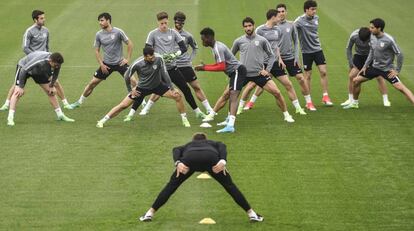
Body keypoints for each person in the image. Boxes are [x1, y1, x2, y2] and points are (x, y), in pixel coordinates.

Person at [138, 132, 264, 223]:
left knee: (171, 187)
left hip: (189, 160)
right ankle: (252, 214)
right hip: (212, 160)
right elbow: (222, 146)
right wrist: (223, 161)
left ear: (194, 140)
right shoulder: (213, 143)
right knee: (230, 187)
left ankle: (150, 213)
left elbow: (176, 149)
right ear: (205, 139)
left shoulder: (188, 145)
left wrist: (178, 163)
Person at [125, 12, 205, 120]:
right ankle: (131, 113)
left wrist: (174, 54)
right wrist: (159, 56)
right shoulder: (152, 34)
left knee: (185, 89)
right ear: (158, 22)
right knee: (143, 89)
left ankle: (198, 112)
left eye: (166, 23)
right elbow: (147, 49)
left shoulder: (173, 33)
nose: (164, 25)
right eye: (162, 23)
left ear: (168, 21)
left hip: (172, 67)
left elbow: (183, 48)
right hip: (158, 69)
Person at [239, 6, 314, 113]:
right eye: (278, 16)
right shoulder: (260, 30)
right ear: (273, 17)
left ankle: (298, 108)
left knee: (288, 84)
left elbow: (276, 46)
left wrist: (279, 59)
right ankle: (241, 106)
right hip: (263, 63)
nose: (280, 17)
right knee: (252, 84)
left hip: (275, 62)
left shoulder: (277, 29)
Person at [96, 47, 190, 128]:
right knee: (123, 105)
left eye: (153, 56)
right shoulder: (137, 63)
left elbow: (164, 74)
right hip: (142, 88)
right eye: (150, 57)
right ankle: (102, 121)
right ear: (145, 56)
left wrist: (172, 88)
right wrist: (130, 91)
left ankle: (184, 119)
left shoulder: (159, 59)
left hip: (157, 86)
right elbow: (126, 76)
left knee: (177, 96)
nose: (153, 58)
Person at [0, 10, 72, 111]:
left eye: (44, 18)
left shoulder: (46, 31)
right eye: (41, 18)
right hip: (33, 61)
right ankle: (7, 103)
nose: (44, 20)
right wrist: (35, 57)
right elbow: (25, 47)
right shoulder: (29, 31)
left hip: (46, 62)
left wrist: (48, 59)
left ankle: (65, 103)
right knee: (17, 83)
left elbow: (47, 46)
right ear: (35, 20)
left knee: (55, 81)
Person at [229, 17, 294, 124]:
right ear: (243, 28)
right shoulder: (239, 41)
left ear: (254, 26)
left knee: (277, 93)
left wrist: (267, 70)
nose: (248, 28)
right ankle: (214, 115)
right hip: (243, 74)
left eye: (250, 26)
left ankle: (287, 115)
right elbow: (230, 56)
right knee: (228, 94)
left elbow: (271, 56)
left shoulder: (262, 40)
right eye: (245, 26)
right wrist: (234, 69)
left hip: (259, 74)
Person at [68, 12, 134, 109]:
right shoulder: (99, 34)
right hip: (107, 64)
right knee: (92, 83)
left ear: (108, 20)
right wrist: (101, 64)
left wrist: (127, 58)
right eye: (99, 21)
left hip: (120, 63)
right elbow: (96, 50)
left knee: (134, 81)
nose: (100, 23)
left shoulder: (118, 32)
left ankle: (142, 101)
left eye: (102, 20)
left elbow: (130, 43)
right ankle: (79, 101)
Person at [344, 18, 414, 109]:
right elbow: (371, 52)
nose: (370, 29)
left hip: (387, 69)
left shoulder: (389, 40)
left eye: (372, 28)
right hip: (374, 67)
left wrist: (397, 70)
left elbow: (399, 54)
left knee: (400, 87)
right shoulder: (372, 37)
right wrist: (365, 66)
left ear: (379, 28)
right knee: (355, 80)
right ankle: (354, 103)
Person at [194, 27, 247, 133]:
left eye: (203, 39)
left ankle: (231, 126)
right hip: (234, 73)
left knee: (233, 96)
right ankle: (228, 120)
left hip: (237, 71)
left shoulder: (218, 48)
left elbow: (221, 67)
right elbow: (219, 64)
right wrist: (205, 67)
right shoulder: (215, 47)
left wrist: (204, 68)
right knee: (228, 95)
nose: (202, 41)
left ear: (209, 38)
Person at [6, 51, 74, 126]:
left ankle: (60, 115)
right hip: (24, 67)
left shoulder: (57, 63)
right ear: (50, 61)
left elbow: (55, 74)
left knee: (50, 92)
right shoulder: (40, 61)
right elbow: (24, 70)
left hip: (38, 71)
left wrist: (51, 86)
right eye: (56, 65)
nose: (57, 67)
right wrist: (21, 87)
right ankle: (10, 118)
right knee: (17, 92)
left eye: (58, 65)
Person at [294, 0, 333, 106]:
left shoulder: (317, 18)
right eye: (312, 9)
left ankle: (325, 96)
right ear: (306, 10)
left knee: (323, 72)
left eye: (315, 9)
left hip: (317, 49)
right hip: (306, 52)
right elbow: (292, 31)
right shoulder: (299, 21)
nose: (314, 11)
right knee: (308, 76)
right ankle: (309, 101)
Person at [174, 11, 214, 114]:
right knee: (160, 86)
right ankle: (146, 108)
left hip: (185, 66)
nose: (180, 25)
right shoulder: (168, 34)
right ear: (174, 21)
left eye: (182, 23)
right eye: (178, 22)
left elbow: (195, 48)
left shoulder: (188, 36)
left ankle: (209, 109)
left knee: (196, 87)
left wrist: (190, 59)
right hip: (172, 66)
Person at [342, 27, 390, 107]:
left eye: (365, 41)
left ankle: (385, 99)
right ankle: (350, 99)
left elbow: (378, 51)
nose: (364, 43)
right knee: (351, 76)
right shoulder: (354, 36)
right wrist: (350, 62)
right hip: (359, 56)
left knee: (379, 77)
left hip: (372, 57)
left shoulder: (374, 37)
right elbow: (348, 48)